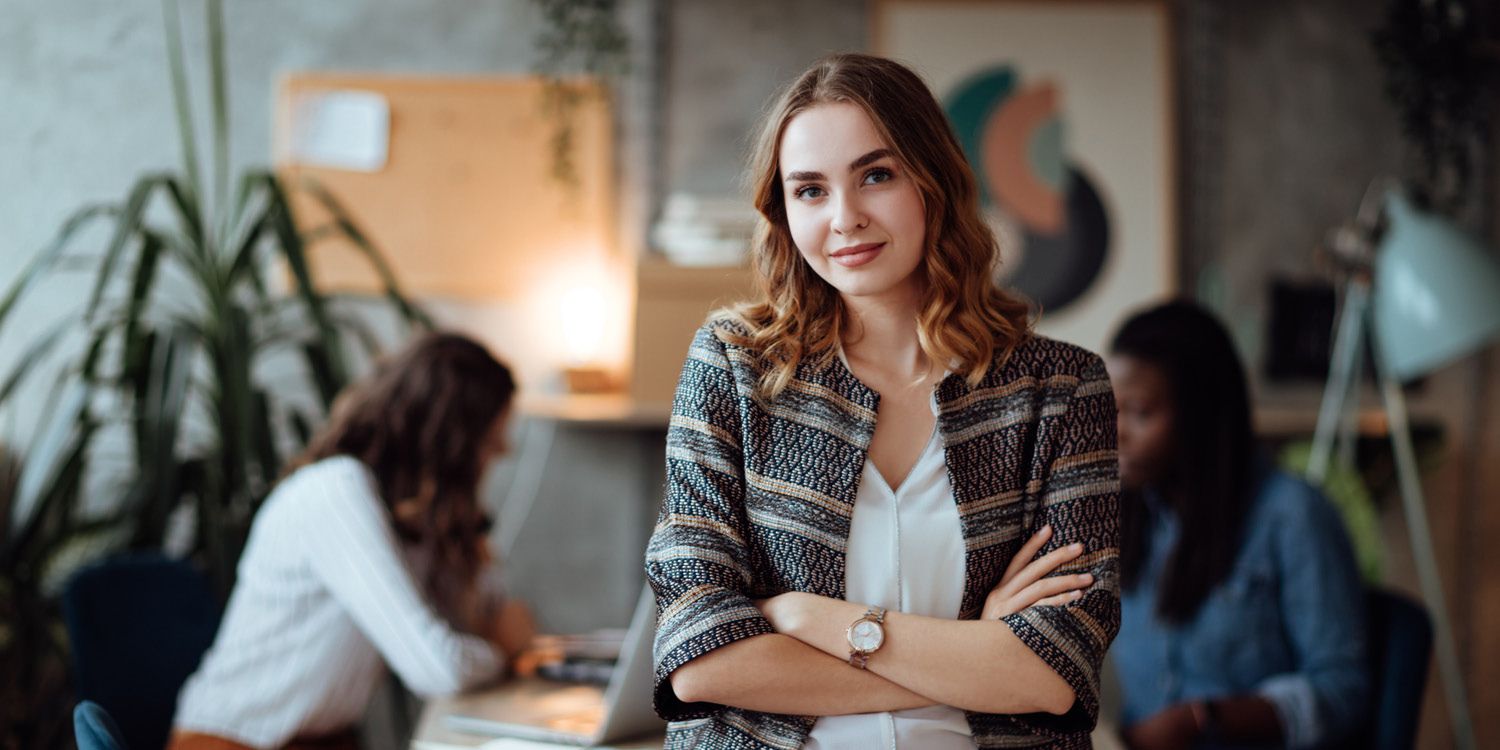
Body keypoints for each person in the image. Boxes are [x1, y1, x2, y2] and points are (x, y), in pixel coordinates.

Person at [644, 53, 1120, 749]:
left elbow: (1056, 672)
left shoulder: (1060, 391)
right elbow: (697, 655)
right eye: (810, 190)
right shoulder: (735, 365)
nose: (845, 218)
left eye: (876, 175)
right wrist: (977, 656)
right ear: (783, 209)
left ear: (933, 181)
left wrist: (811, 620)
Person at [170, 333, 535, 750]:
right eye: (490, 441)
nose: (501, 453)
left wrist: (469, 543)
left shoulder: (408, 516)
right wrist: (501, 652)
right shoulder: (335, 492)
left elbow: (490, 617)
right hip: (233, 742)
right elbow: (440, 668)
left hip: (327, 742)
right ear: (449, 441)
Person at [1106, 301, 1370, 750]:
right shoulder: (1128, 513)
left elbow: (1342, 689)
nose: (1115, 433)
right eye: (1107, 409)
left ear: (1201, 413)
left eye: (1139, 413)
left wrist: (1200, 721)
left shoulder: (1292, 514)